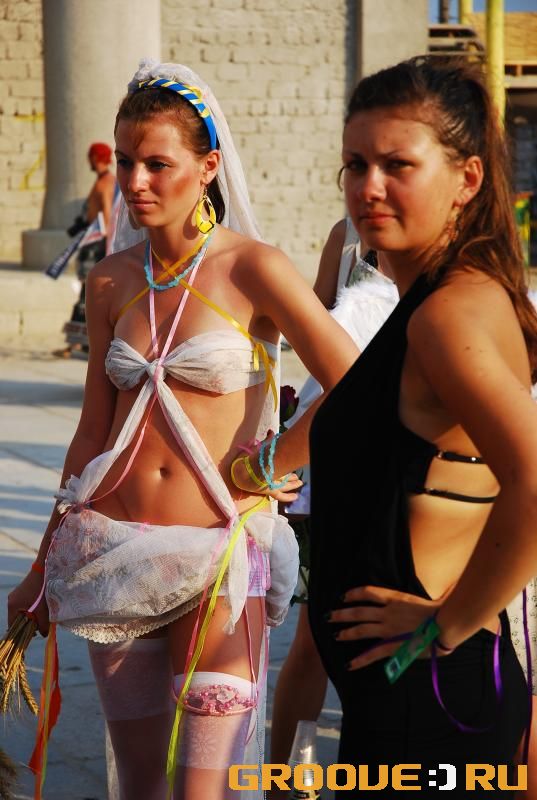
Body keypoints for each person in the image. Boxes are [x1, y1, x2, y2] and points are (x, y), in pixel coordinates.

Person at [7, 60, 357, 800]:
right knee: (139, 783)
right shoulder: (109, 279)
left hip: (220, 555)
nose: (135, 182)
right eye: (126, 161)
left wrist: (272, 462)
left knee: (205, 789)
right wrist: (41, 567)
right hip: (115, 552)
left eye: (157, 164)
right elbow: (92, 435)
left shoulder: (253, 268)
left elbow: (354, 380)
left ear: (208, 168)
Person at [307, 56, 537, 797]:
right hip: (414, 697)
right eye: (355, 164)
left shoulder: (446, 316)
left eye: (397, 165)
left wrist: (448, 626)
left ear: (466, 179)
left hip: (425, 701)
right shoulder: (451, 296)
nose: (367, 187)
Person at [269, 221, 398, 780]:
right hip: (337, 453)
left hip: (413, 468)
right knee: (315, 638)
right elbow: (312, 321)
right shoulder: (347, 237)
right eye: (357, 177)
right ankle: (285, 782)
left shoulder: (461, 241)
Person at [55, 142, 116, 357]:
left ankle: (76, 345)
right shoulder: (103, 180)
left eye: (90, 156)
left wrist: (106, 249)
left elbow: (107, 216)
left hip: (97, 245)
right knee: (88, 293)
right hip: (93, 242)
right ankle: (81, 343)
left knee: (87, 294)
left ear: (96, 158)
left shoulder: (106, 183)